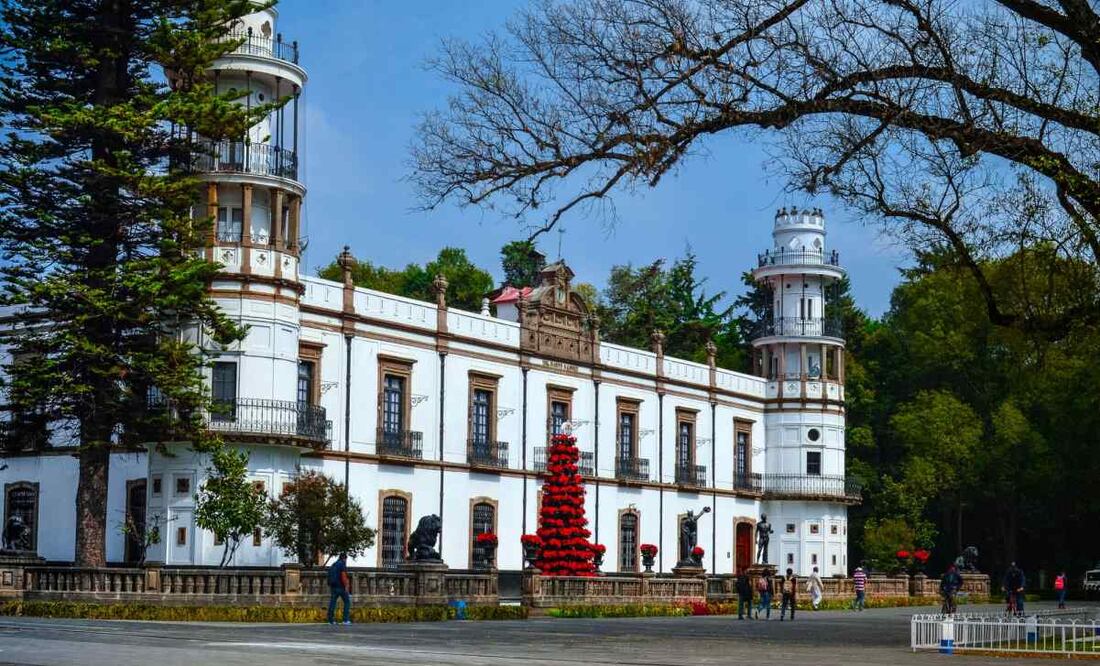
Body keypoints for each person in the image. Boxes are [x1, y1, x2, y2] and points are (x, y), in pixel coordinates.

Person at [327, 553, 352, 625]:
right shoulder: (342, 564)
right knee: (347, 602)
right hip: (341, 587)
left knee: (333, 603)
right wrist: (346, 586)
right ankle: (345, 620)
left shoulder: (334, 564)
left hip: (333, 586)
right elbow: (343, 576)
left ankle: (331, 620)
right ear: (344, 558)